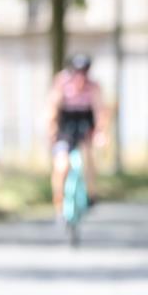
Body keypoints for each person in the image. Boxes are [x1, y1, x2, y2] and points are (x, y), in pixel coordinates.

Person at [47, 54, 105, 214]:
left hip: (85, 125)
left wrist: (100, 133)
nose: (81, 77)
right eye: (78, 72)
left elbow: (100, 111)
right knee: (61, 165)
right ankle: (58, 198)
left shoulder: (93, 86)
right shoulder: (62, 83)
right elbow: (52, 108)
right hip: (65, 127)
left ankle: (91, 195)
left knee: (88, 159)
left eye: (84, 72)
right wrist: (51, 129)